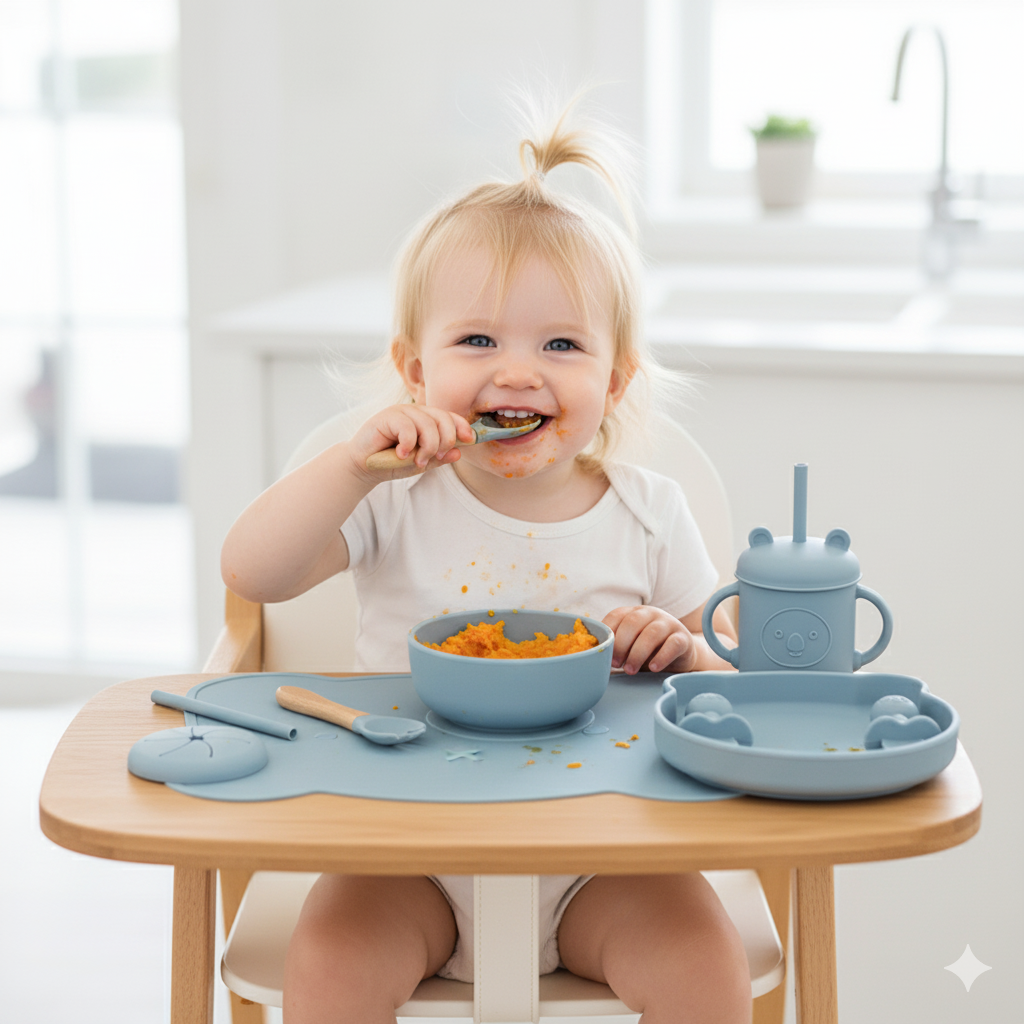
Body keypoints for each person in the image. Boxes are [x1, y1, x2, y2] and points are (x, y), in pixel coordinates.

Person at [221, 94, 748, 1024]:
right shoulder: (387, 497)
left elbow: (723, 693)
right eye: (476, 340)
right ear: (415, 370)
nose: (517, 372)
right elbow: (253, 573)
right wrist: (348, 464)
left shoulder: (651, 514)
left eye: (561, 344)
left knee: (704, 964)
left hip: (604, 862)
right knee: (332, 957)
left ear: (613, 379)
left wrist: (683, 650)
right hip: (406, 858)